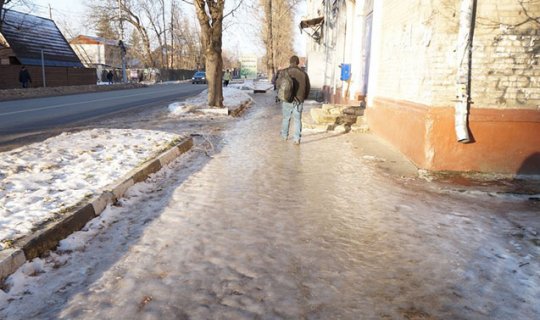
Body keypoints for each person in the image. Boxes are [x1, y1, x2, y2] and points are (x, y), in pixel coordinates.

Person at [278, 55, 310, 145]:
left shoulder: (284, 72)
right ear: (298, 62)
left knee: (286, 118)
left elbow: (278, 85)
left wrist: (282, 95)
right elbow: (307, 88)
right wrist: (303, 97)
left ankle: (284, 136)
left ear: (290, 62)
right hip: (299, 100)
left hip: (287, 99)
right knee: (297, 119)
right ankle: (297, 139)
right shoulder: (303, 74)